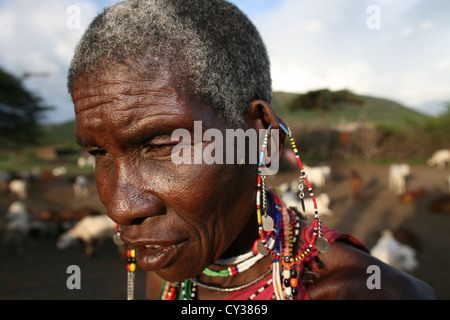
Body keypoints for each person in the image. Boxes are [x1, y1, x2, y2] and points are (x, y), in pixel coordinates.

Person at [68, 0, 436, 300]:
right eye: (99, 153)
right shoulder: (165, 276)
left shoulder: (370, 293)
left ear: (261, 138)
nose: (119, 207)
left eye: (164, 144)